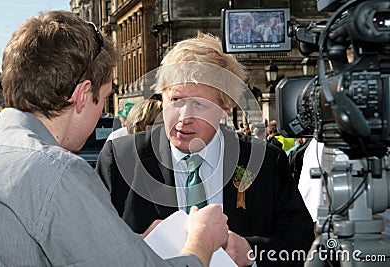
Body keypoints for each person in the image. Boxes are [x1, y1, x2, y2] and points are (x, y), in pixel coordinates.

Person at [0, 11, 229, 267]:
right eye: (104, 97)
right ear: (82, 95)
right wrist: (201, 242)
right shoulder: (58, 172)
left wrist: (132, 246)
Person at [96, 33, 314, 267]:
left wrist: (251, 252)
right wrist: (137, 247)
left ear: (224, 108)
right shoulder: (120, 158)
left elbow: (301, 244)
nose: (184, 117)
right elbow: (89, 245)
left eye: (199, 104)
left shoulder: (264, 162)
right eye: (176, 100)